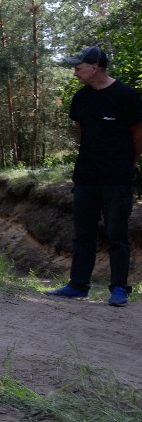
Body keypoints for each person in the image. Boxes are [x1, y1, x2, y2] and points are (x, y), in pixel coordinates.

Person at [46, 45, 142, 306]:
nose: (75, 72)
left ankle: (119, 289)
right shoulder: (81, 98)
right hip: (86, 177)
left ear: (94, 67)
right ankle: (78, 286)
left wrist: (125, 164)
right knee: (83, 234)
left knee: (117, 234)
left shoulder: (126, 96)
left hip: (117, 179)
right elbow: (82, 132)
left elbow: (138, 135)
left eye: (78, 67)